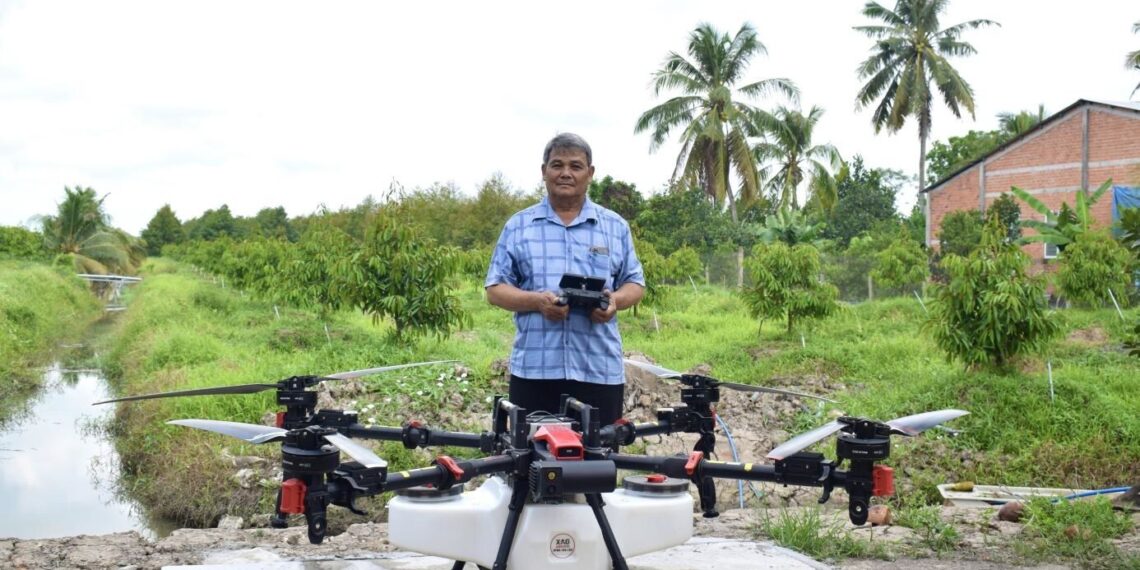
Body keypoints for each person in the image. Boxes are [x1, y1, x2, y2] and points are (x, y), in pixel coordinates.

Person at [485, 133, 644, 426]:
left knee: (598, 464)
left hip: (598, 368)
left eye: (576, 166)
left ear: (590, 173)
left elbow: (635, 283)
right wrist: (536, 302)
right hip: (535, 371)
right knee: (531, 464)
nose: (566, 173)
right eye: (557, 165)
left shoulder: (614, 226)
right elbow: (494, 289)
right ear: (544, 171)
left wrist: (613, 302)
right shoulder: (519, 226)